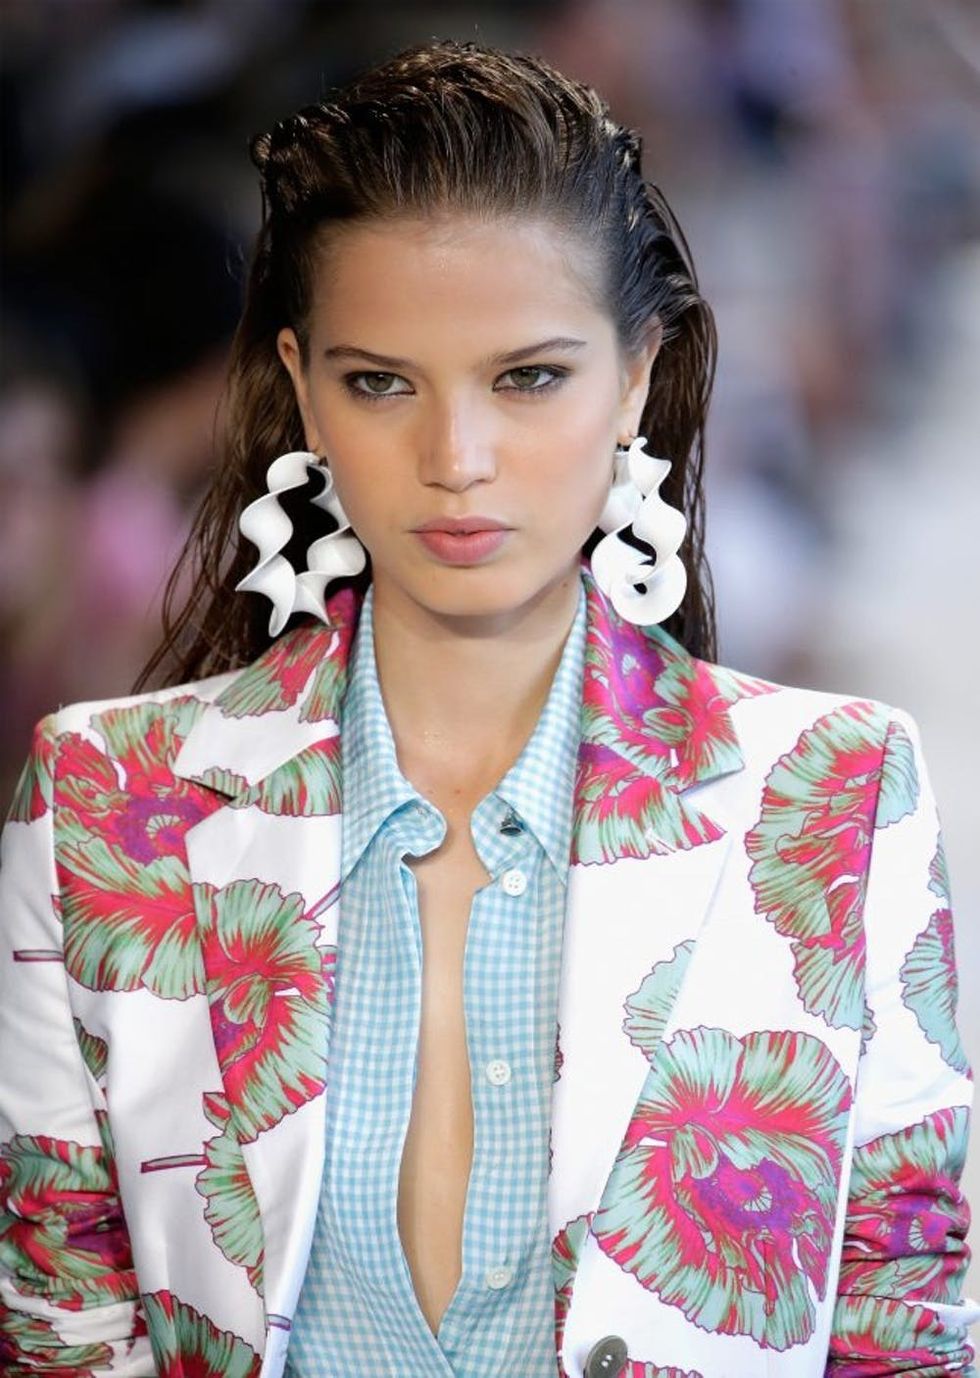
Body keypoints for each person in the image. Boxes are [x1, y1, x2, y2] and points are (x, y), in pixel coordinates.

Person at [0, 38, 976, 1378]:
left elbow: (908, 1318)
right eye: (381, 381)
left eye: (528, 377)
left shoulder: (837, 793)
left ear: (637, 374)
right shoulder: (103, 807)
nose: (456, 459)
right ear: (298, 385)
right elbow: (58, 1320)